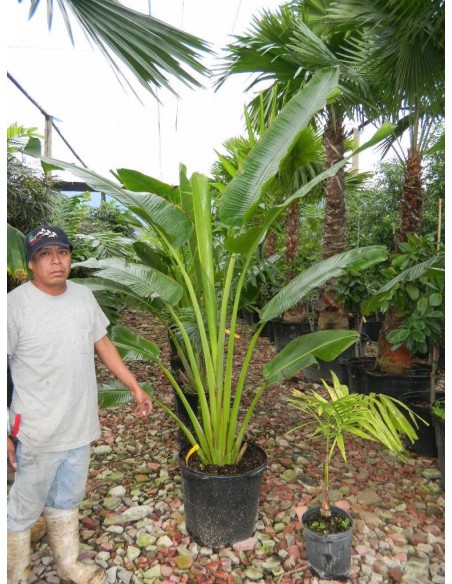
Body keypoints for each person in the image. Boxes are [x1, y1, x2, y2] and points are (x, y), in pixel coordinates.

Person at [7, 225, 153, 584]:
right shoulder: (12, 306)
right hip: (37, 430)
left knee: (67, 499)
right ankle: (15, 573)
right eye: (45, 254)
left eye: (62, 252)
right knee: (22, 510)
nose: (56, 261)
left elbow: (102, 343)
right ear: (31, 262)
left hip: (79, 424)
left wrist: (134, 386)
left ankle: (68, 564)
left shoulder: (83, 297)